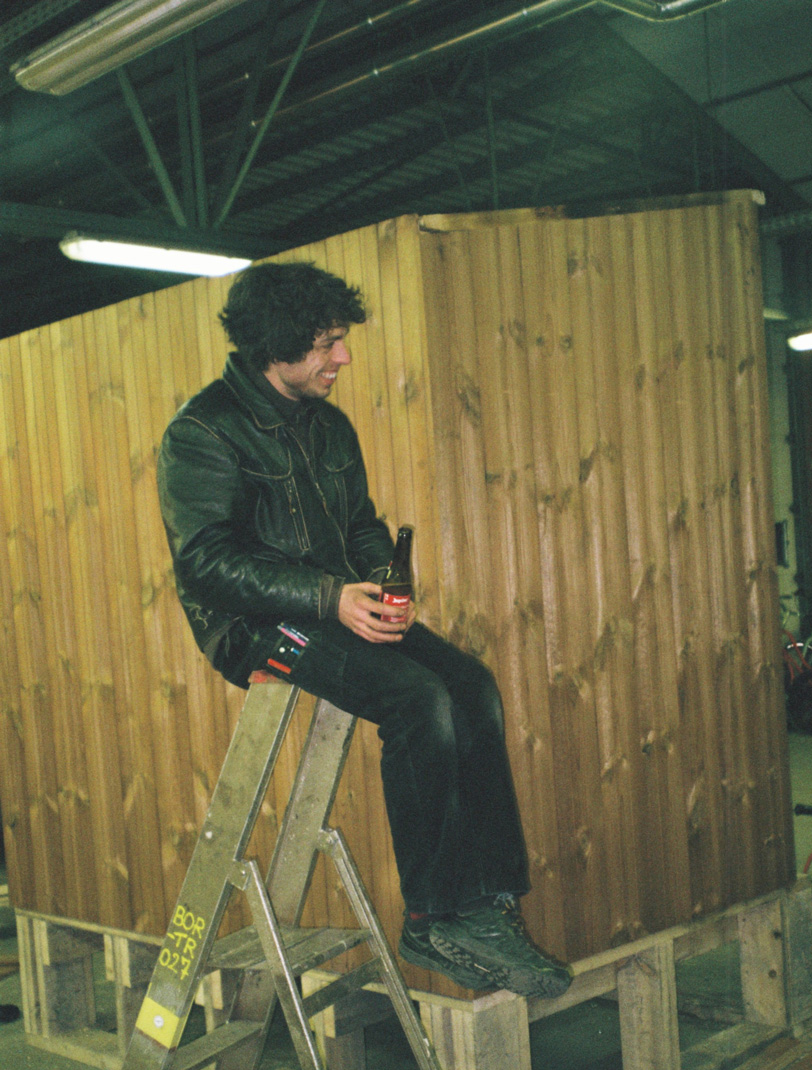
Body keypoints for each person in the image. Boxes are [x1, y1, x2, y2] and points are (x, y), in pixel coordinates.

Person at [157, 261, 571, 1000]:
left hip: (337, 605)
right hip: (255, 625)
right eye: (327, 344)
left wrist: (384, 584)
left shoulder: (330, 426)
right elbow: (205, 566)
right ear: (277, 346)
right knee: (418, 697)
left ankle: (490, 901)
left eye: (340, 341)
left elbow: (360, 526)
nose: (342, 358)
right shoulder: (201, 432)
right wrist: (328, 596)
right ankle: (433, 915)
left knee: (471, 685)